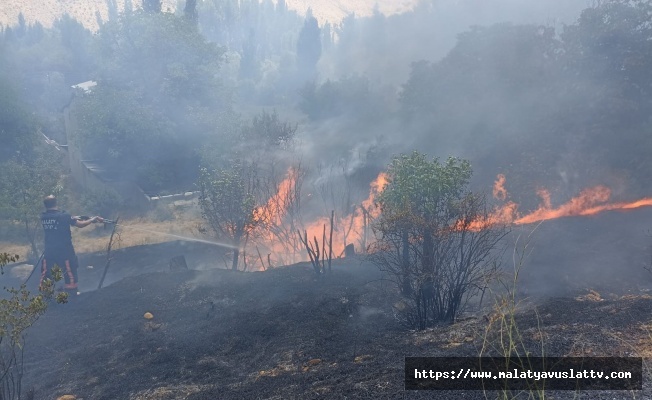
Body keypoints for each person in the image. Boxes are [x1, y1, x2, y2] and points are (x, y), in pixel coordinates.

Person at [40, 195, 103, 295]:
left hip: (49, 250)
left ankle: (45, 294)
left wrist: (74, 217)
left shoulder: (43, 216)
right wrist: (92, 219)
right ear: (56, 203)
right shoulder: (64, 216)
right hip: (64, 250)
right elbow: (80, 225)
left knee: (47, 271)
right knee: (69, 270)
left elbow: (62, 218)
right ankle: (72, 293)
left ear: (45, 205)